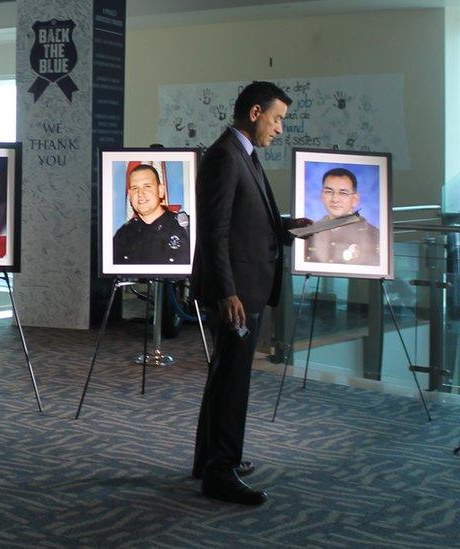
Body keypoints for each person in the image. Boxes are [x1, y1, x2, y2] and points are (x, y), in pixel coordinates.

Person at [190, 81, 312, 505]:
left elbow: (248, 219)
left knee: (226, 374)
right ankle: (219, 473)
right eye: (277, 119)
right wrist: (227, 292)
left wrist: (287, 227)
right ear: (256, 113)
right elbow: (214, 231)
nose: (280, 128)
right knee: (232, 381)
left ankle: (209, 459)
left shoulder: (244, 154)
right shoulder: (225, 156)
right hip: (237, 292)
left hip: (248, 287)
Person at [112, 164, 189, 264]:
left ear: (160, 191)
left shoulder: (185, 227)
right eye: (135, 188)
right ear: (130, 195)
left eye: (147, 186)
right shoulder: (123, 235)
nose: (140, 194)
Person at [304, 167, 380, 265]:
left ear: (354, 199)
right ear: (322, 196)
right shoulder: (310, 234)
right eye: (329, 192)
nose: (335, 199)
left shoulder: (373, 235)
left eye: (343, 193)